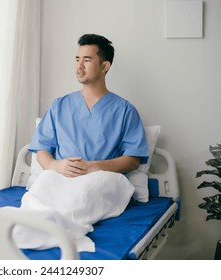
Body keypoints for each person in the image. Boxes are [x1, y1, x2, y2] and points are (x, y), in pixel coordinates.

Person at [29, 34, 149, 178]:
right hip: (60, 178)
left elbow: (133, 160)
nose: (79, 66)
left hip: (102, 179)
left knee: (84, 198)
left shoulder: (125, 110)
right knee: (36, 198)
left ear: (104, 66)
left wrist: (94, 167)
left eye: (87, 60)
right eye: (77, 59)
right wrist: (56, 166)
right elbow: (42, 149)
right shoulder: (59, 106)